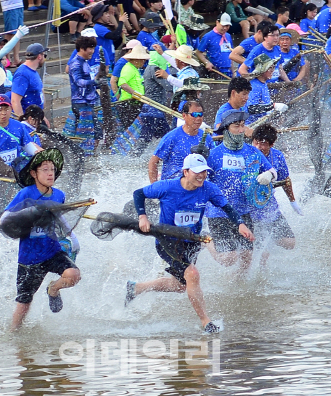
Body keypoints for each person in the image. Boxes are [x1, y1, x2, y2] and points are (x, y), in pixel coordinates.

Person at [127, 153, 254, 333]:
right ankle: (206, 322)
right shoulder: (167, 187)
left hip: (192, 241)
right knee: (192, 274)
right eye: (197, 172)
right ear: (185, 172)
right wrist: (143, 217)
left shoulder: (208, 189)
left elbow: (226, 207)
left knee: (181, 285)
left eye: (204, 172)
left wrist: (240, 224)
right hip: (168, 241)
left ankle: (136, 289)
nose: (202, 175)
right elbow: (139, 193)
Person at [2, 148, 80, 330]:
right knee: (24, 304)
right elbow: (6, 218)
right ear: (33, 173)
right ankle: (14, 337)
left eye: (52, 169)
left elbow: (60, 219)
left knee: (73, 275)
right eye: (44, 169)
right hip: (29, 257)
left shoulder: (59, 195)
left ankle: (53, 289)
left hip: (52, 250)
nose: (50, 173)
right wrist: (30, 214)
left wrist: (72, 237)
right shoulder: (25, 194)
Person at [206, 110, 276, 270]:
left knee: (247, 256)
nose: (241, 130)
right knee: (228, 259)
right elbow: (202, 181)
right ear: (226, 128)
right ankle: (206, 241)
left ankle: (239, 288)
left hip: (243, 212)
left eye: (243, 126)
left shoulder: (252, 152)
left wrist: (268, 175)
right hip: (219, 212)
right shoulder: (214, 154)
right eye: (236, 126)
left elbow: (273, 171)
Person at [250, 123, 301, 265]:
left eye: (263, 144)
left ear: (271, 144)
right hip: (250, 210)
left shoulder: (277, 156)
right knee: (262, 255)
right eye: (256, 142)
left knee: (290, 243)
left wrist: (292, 201)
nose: (259, 147)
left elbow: (285, 179)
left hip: (269, 207)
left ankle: (266, 241)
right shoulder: (247, 154)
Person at [148, 101, 213, 183]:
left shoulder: (207, 138)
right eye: (194, 115)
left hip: (197, 186)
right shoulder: (172, 137)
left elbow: (214, 162)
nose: (198, 118)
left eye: (200, 115)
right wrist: (155, 187)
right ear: (184, 116)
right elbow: (153, 162)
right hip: (173, 185)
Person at [63, 36, 102, 155]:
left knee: (96, 132)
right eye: (90, 48)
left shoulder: (84, 62)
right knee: (84, 134)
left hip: (88, 102)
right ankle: (82, 156)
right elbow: (79, 82)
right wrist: (95, 82)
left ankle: (90, 156)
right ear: (82, 48)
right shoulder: (75, 63)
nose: (92, 51)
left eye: (93, 48)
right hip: (81, 103)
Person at [244, 54, 289, 125]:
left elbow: (264, 105)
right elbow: (251, 108)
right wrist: (273, 106)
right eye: (269, 68)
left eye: (273, 67)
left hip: (262, 124)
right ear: (262, 70)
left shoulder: (263, 83)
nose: (272, 70)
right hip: (252, 126)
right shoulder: (254, 86)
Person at [117, 45, 151, 132]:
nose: (144, 62)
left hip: (135, 102)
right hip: (128, 103)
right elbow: (122, 84)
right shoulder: (128, 68)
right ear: (136, 60)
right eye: (142, 60)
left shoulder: (134, 69)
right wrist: (135, 94)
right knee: (130, 129)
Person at [11, 43, 48, 118]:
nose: (45, 59)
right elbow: (15, 101)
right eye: (45, 55)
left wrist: (43, 117)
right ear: (39, 56)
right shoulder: (22, 74)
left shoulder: (33, 71)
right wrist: (23, 122)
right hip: (28, 120)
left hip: (37, 118)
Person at [91, 3, 129, 72]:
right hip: (104, 62)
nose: (108, 15)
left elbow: (114, 45)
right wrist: (121, 22)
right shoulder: (98, 28)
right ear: (99, 16)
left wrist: (120, 36)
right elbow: (114, 36)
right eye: (106, 13)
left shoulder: (104, 28)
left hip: (111, 60)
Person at [196, 13, 234, 78]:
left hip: (228, 71)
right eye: (223, 25)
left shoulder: (228, 36)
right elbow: (198, 52)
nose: (225, 28)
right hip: (216, 71)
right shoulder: (208, 36)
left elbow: (232, 54)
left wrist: (233, 72)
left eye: (227, 26)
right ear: (217, 22)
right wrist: (207, 62)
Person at [0, 0, 25, 66]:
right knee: (9, 33)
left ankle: (17, 58)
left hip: (19, 3)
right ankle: (7, 59)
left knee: (19, 32)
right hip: (9, 5)